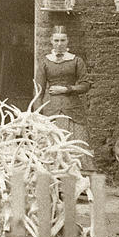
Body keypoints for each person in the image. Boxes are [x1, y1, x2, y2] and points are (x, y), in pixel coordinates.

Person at [36, 26, 95, 174]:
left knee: (77, 144)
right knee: (52, 146)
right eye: (56, 40)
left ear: (67, 41)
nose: (59, 43)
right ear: (51, 41)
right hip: (52, 110)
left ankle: (80, 182)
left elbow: (85, 84)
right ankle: (55, 181)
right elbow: (38, 91)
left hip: (73, 110)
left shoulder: (76, 61)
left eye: (62, 40)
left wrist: (67, 89)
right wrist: (38, 114)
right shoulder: (45, 62)